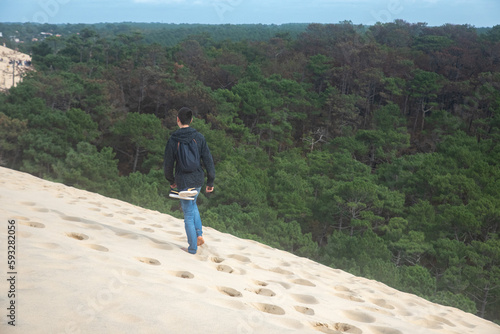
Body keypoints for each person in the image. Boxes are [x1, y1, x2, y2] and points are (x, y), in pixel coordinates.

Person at [163, 107, 215, 254]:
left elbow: (168, 164)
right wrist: (210, 181)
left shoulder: (173, 139)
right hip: (198, 180)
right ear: (191, 120)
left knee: (188, 214)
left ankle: (192, 248)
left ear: (178, 120)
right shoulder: (199, 137)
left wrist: (171, 180)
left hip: (183, 181)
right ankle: (199, 235)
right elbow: (208, 160)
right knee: (193, 205)